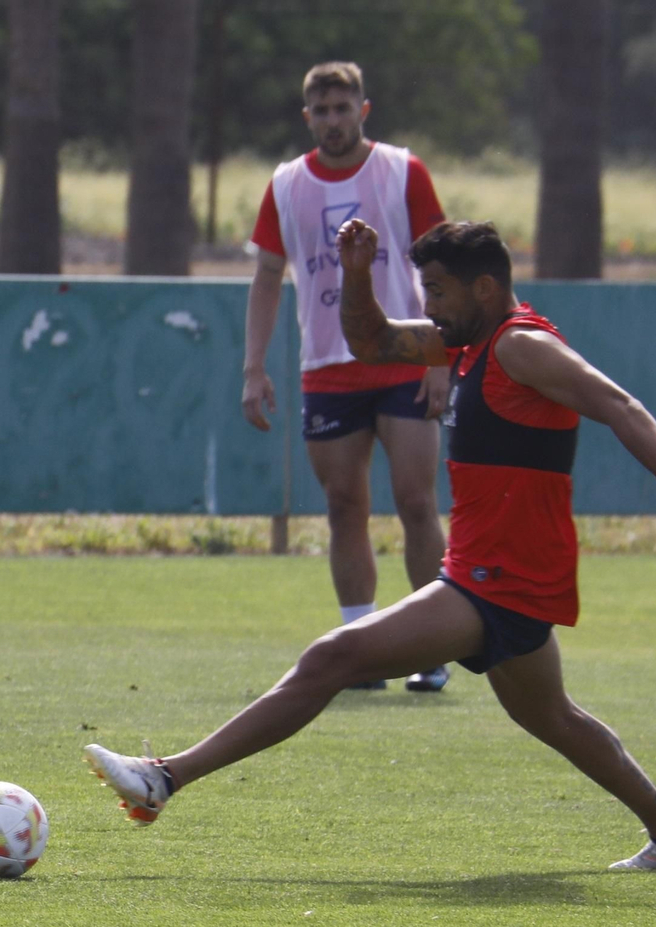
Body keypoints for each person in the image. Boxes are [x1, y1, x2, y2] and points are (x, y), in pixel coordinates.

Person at [85, 219, 656, 870]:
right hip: (496, 572)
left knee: (333, 656)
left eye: (437, 291)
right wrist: (356, 276)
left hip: (499, 578)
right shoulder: (470, 344)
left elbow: (619, 403)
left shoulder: (520, 346)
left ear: (485, 288)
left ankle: (165, 778)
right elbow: (372, 342)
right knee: (553, 716)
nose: (430, 305)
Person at [241, 61, 451, 692]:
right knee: (344, 506)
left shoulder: (402, 171)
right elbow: (267, 275)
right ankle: (361, 647)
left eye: (343, 108)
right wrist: (253, 367)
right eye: (321, 111)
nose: (333, 120)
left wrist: (442, 357)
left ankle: (434, 646)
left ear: (364, 109)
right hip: (329, 368)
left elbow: (441, 265)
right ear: (308, 118)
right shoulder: (286, 185)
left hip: (405, 357)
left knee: (417, 501)